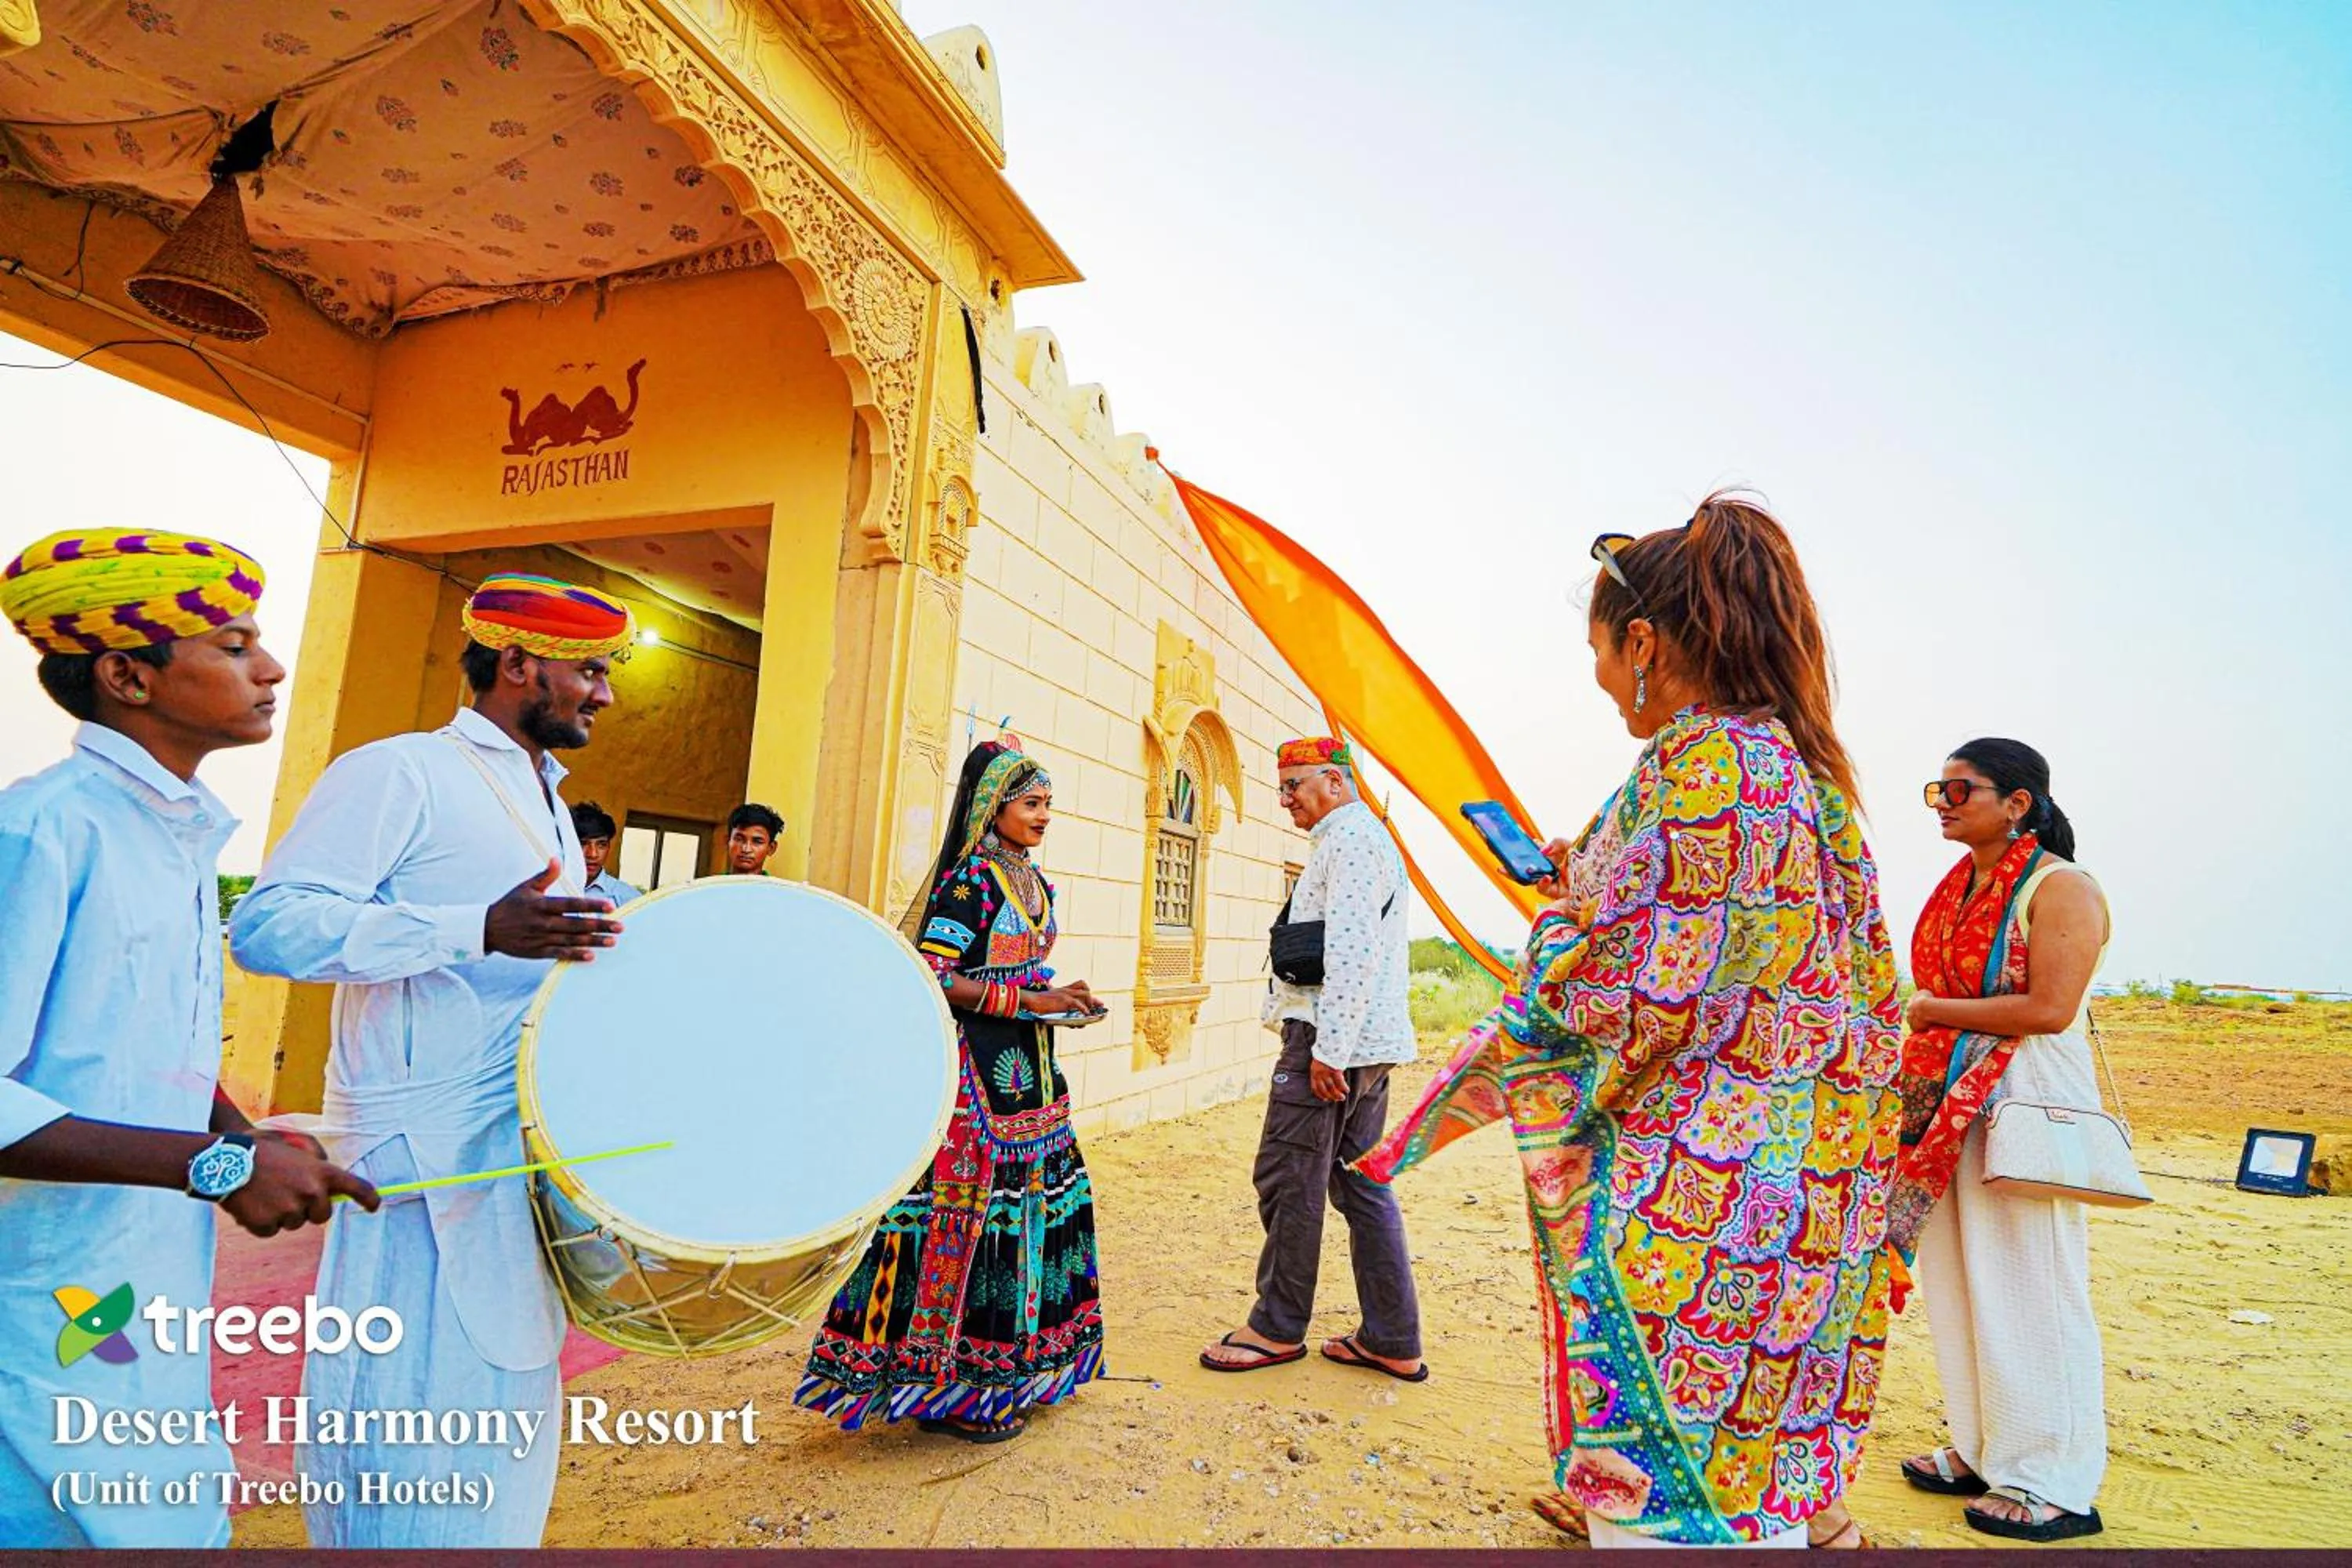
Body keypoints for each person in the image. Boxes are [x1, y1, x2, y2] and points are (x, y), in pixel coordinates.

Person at [1359, 495, 1901, 1550]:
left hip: (1684, 1211)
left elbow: (1632, 994)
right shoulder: (1803, 775)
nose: (1603, 683)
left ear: (1644, 642)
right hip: (1789, 1205)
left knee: (1671, 1515)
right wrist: (1596, 881)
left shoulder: (1695, 768)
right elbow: (1809, 976)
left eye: (1603, 653)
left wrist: (1561, 926)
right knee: (1745, 1491)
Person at [230, 572, 633, 1547]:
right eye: (590, 670)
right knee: (405, 1419)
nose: (605, 694)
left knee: (504, 1405)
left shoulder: (541, 795)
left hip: (513, 1147)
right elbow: (269, 925)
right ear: (519, 662)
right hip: (415, 1157)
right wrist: (477, 926)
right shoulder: (402, 770)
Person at [0, 529, 374, 1548]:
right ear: (128, 675)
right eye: (233, 644)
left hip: (138, 1279)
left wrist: (245, 1140)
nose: (272, 668)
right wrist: (213, 1167)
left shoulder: (169, 836)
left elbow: (146, 1050)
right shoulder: (43, 831)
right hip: (39, 1289)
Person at [796, 739, 1104, 1443]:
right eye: (1032, 804)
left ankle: (1020, 1369)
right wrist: (1028, 1004)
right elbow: (930, 973)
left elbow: (1023, 968)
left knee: (1034, 1212)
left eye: (1048, 804)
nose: (1044, 816)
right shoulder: (969, 883)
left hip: (1030, 1082)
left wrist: (1061, 995)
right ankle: (952, 1393)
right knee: (962, 1224)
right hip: (975, 1088)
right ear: (994, 808)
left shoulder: (1031, 879)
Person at [1886, 740, 2111, 1542]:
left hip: (2025, 1101)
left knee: (2032, 1286)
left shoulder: (2061, 887)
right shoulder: (1965, 886)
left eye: (1959, 788)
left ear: (2016, 802)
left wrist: (1930, 1011)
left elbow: (2049, 1007)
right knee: (1962, 1282)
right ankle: (1987, 1449)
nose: (1942, 801)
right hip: (1949, 1105)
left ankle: (2053, 1478)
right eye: (1936, 789)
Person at [1200, 737, 1422, 1381]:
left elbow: (1351, 953)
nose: (1286, 799)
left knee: (1289, 1178)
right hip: (1364, 1045)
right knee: (1360, 1184)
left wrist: (1328, 1051)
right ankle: (1392, 1337)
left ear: (1334, 779)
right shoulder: (1358, 840)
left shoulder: (1351, 843)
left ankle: (1275, 1327)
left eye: (1295, 785)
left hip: (1333, 1042)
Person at [572, 800, 639, 904]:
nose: (593, 854)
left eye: (601, 845)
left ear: (609, 847)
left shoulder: (628, 898)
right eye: (583, 843)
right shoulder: (548, 891)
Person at [723, 802, 783, 875]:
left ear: (771, 848)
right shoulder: (710, 885)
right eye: (739, 839)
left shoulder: (777, 886)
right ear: (727, 842)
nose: (746, 849)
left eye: (757, 842)